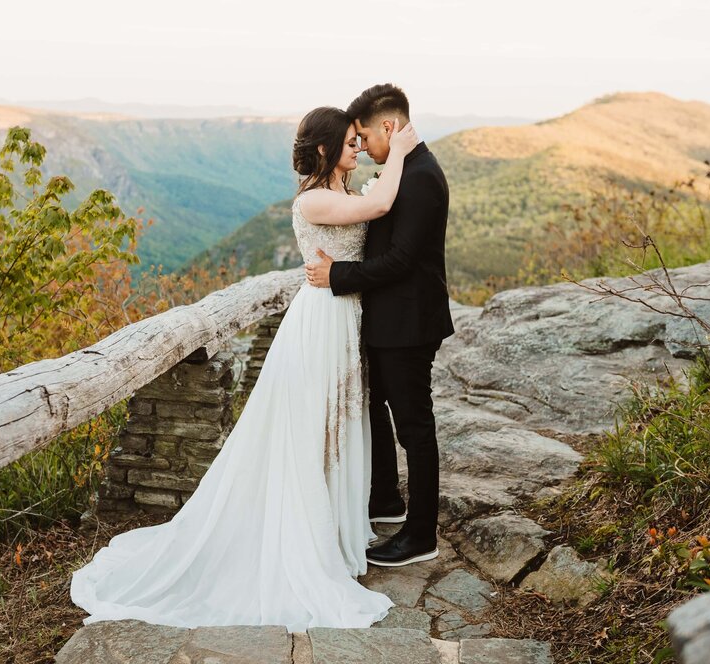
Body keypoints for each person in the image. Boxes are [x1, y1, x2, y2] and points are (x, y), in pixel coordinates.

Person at [68, 105, 420, 630]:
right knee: (312, 427)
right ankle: (307, 538)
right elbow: (383, 201)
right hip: (321, 321)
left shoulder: (341, 190)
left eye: (358, 140)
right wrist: (404, 151)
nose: (356, 148)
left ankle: (339, 534)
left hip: (344, 318)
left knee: (340, 423)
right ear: (324, 150)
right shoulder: (316, 198)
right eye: (349, 142)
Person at [306, 83, 454, 568]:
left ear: (389, 127)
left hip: (409, 322)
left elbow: (401, 260)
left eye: (366, 137)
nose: (364, 147)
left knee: (414, 426)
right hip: (387, 320)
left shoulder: (421, 177)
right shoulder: (404, 170)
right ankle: (386, 499)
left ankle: (420, 534)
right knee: (374, 409)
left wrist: (338, 276)